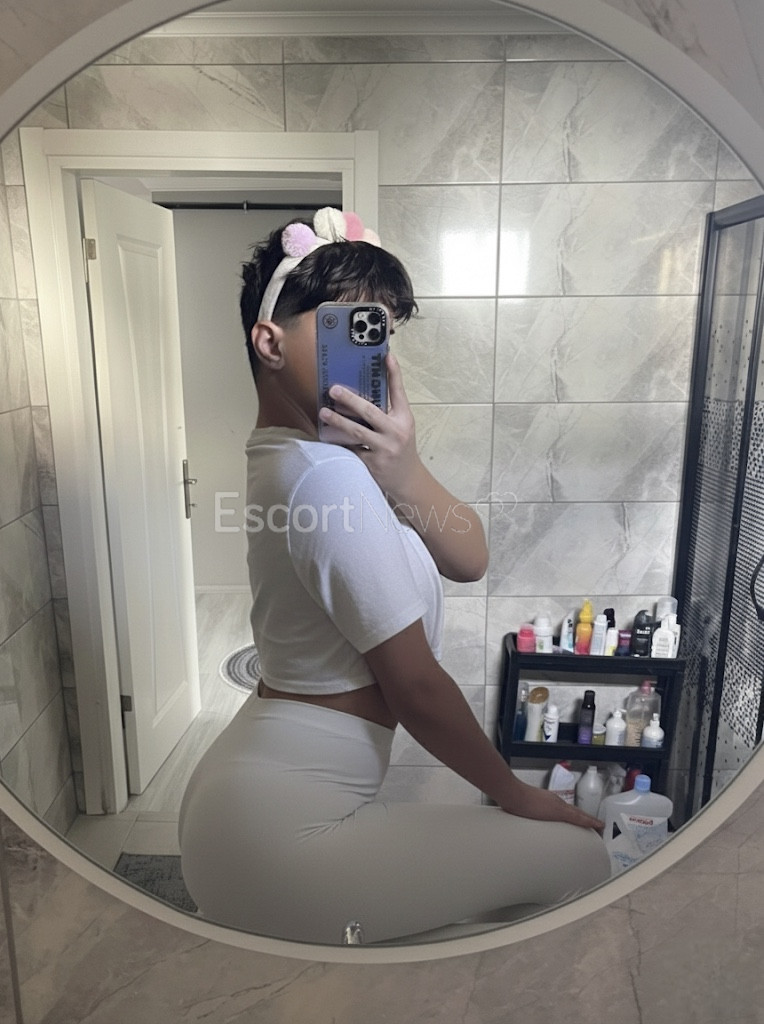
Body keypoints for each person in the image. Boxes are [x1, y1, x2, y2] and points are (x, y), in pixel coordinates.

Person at [178, 208, 610, 944]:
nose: (369, 350)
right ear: (269, 341)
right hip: (279, 835)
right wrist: (511, 793)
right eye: (346, 325)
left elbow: (468, 559)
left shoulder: (309, 459)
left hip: (251, 799)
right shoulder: (325, 477)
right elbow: (414, 686)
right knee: (582, 859)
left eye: (378, 329)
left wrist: (404, 466)